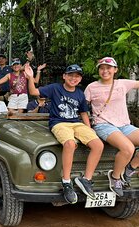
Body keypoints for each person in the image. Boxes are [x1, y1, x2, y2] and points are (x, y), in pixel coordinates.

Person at [26, 64, 104, 204]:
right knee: (70, 143)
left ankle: (86, 179)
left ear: (80, 79)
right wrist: (31, 77)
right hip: (59, 123)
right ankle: (67, 182)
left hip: (77, 123)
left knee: (98, 144)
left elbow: (83, 112)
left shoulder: (80, 93)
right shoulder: (55, 88)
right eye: (71, 75)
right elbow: (33, 91)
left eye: (77, 76)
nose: (74, 78)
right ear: (64, 76)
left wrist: (89, 128)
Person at [85, 57, 139, 197]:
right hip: (103, 125)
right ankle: (115, 178)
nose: (105, 71)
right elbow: (82, 108)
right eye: (102, 68)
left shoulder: (122, 84)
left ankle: (130, 168)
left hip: (124, 125)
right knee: (128, 148)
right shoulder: (91, 87)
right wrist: (87, 126)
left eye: (108, 68)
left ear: (115, 70)